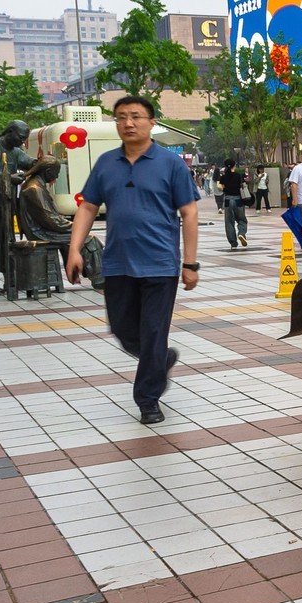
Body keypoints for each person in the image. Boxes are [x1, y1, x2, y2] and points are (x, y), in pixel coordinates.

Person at [67, 96, 200, 425]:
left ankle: (148, 399)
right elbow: (87, 207)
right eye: (121, 117)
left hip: (161, 264)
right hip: (118, 264)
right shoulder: (106, 163)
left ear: (152, 122)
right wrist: (74, 249)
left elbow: (189, 211)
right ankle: (160, 360)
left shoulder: (171, 164)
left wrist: (190, 263)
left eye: (136, 117)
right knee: (125, 331)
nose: (128, 123)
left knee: (153, 332)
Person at [18, 156, 104, 290]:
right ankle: (99, 278)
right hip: (41, 232)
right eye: (56, 172)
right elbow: (50, 220)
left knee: (83, 238)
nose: (57, 176)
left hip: (45, 228)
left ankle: (89, 273)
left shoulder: (35, 185)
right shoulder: (34, 188)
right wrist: (76, 227)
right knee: (89, 239)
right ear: (47, 171)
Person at [0, 120, 35, 287]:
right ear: (10, 131)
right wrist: (7, 177)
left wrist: (41, 163)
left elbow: (28, 162)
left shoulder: (16, 152)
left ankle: (9, 278)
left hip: (6, 203)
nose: (22, 141)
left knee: (7, 239)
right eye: (20, 137)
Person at [218, 159, 249, 249]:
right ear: (234, 165)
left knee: (229, 222)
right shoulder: (239, 176)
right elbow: (243, 185)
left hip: (227, 200)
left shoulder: (223, 177)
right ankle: (241, 233)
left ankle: (233, 243)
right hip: (238, 200)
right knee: (242, 220)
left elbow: (222, 188)